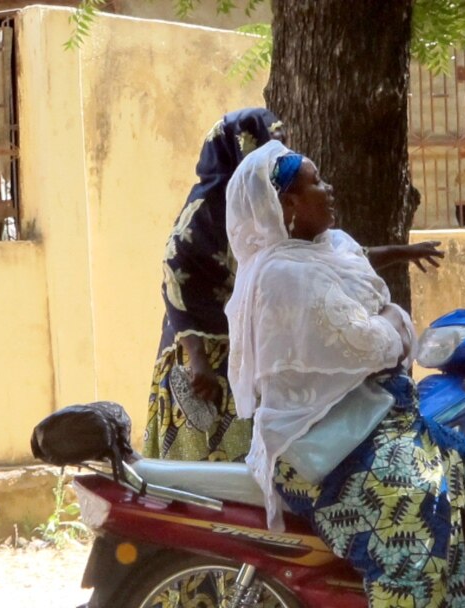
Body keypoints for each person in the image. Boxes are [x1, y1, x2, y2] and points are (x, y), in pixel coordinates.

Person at [225, 140, 465, 606]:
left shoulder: (327, 248)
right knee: (414, 521)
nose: (329, 188)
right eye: (316, 183)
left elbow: (364, 270)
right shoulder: (283, 275)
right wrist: (394, 319)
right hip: (318, 444)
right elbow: (376, 343)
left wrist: (395, 290)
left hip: (378, 420)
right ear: (288, 204)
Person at [145, 108, 443, 462]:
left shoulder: (278, 223)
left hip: (255, 349)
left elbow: (338, 257)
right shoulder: (204, 221)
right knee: (201, 456)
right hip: (207, 355)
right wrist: (198, 361)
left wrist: (402, 252)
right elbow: (177, 287)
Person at [144, 108, 285, 461]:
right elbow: (174, 278)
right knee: (198, 468)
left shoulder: (265, 208)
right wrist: (197, 360)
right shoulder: (203, 213)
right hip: (204, 366)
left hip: (250, 354)